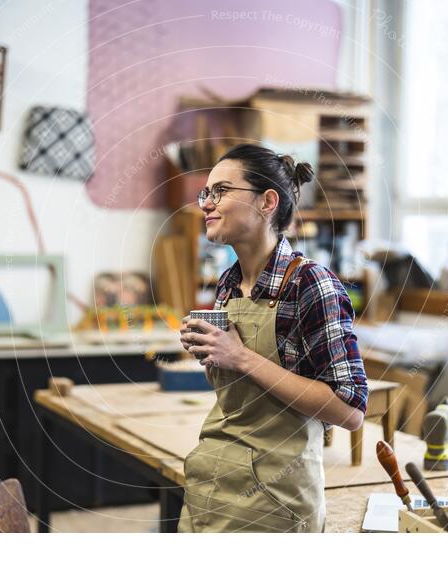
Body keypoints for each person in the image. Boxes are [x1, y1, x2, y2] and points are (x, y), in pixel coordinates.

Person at [177, 143, 368, 533]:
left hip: (272, 504)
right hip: (210, 485)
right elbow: (246, 398)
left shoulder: (311, 285)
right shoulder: (229, 284)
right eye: (206, 193)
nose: (207, 204)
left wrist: (241, 357)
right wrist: (210, 350)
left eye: (222, 191)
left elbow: (350, 410)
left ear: (267, 202)